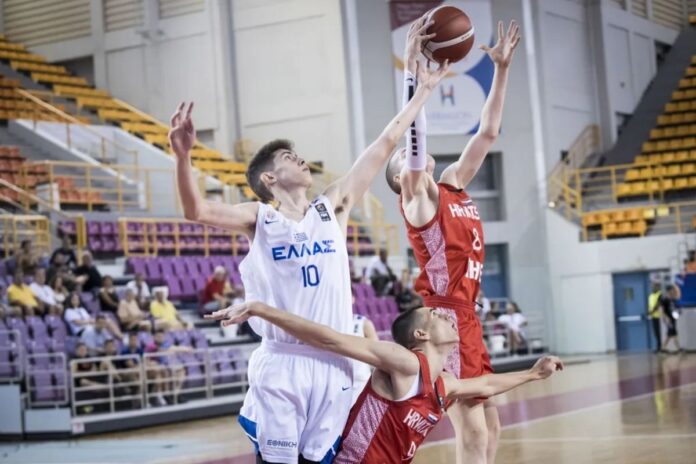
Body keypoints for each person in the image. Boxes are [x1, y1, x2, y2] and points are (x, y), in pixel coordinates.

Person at [170, 23, 449, 463]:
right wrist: (183, 157)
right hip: (284, 362)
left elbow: (384, 144)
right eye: (288, 157)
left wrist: (418, 89)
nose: (299, 159)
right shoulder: (258, 217)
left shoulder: (332, 207)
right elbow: (196, 211)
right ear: (269, 178)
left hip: (337, 363)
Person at [384, 17, 521, 464]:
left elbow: (488, 133)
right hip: (446, 318)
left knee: (492, 424)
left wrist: (500, 70)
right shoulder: (418, 201)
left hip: (469, 317)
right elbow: (413, 146)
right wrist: (412, 75)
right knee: (473, 429)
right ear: (401, 180)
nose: (413, 158)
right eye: (405, 161)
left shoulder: (452, 183)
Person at [207, 301, 562, 464]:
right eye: (434, 314)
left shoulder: (444, 384)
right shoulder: (406, 363)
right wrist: (260, 309)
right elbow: (331, 340)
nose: (443, 315)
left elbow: (484, 385)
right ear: (421, 334)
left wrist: (533, 374)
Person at [71, 342, 108, 415]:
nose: (83, 351)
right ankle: (105, 387)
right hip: (81, 381)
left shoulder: (89, 358)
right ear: (77, 351)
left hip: (91, 378)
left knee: (106, 362)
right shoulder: (74, 360)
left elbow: (94, 369)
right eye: (81, 350)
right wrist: (83, 373)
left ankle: (106, 386)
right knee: (84, 381)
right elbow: (74, 374)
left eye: (84, 349)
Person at [350, 314, 378, 404]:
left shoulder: (363, 323)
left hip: (360, 380)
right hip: (338, 380)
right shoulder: (331, 322)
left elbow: (376, 354)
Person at [660, 285, 682, 353]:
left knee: (670, 334)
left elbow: (678, 296)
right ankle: (678, 348)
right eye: (672, 290)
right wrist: (666, 318)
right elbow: (662, 310)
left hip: (673, 318)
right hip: (668, 319)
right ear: (668, 291)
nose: (673, 291)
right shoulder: (664, 299)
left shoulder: (672, 299)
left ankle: (663, 348)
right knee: (673, 333)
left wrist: (677, 288)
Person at [648, 282, 663, 353]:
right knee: (656, 333)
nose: (653, 288)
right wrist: (649, 312)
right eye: (652, 286)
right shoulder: (651, 295)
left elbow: (658, 304)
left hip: (659, 316)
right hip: (653, 316)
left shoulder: (660, 294)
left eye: (655, 286)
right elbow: (651, 305)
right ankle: (658, 347)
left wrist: (652, 311)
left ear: (658, 287)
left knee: (660, 333)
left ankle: (660, 347)